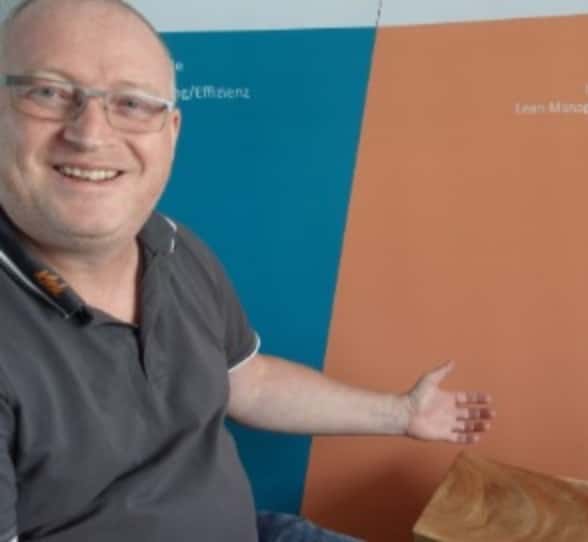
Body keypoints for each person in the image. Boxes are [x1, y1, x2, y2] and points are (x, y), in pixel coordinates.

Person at [0, 0, 494, 540]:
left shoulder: (173, 246)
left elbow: (248, 382)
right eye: (48, 93)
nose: (90, 133)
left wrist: (401, 414)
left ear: (171, 131)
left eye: (132, 103)